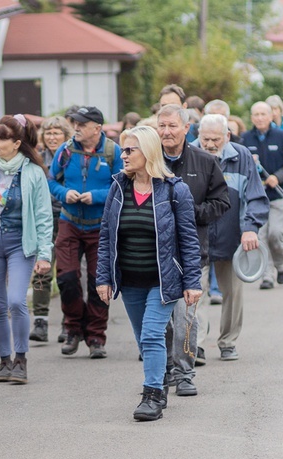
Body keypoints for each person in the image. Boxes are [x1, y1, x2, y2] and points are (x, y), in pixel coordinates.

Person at [97, 125, 202, 421]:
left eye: (130, 150)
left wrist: (193, 282)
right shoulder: (118, 187)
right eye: (122, 150)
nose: (123, 155)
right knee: (144, 340)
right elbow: (106, 236)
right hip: (129, 279)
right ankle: (160, 375)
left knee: (153, 334)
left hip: (163, 279)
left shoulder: (174, 190)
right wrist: (103, 277)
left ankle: (153, 394)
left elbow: (188, 240)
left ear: (148, 151)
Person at [0, 114, 53, 383]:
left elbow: (43, 215)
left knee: (16, 300)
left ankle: (21, 359)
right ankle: (4, 361)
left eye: (1, 138)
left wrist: (45, 253)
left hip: (20, 244)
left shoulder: (33, 173)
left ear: (16, 143)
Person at [157, 104, 229, 397]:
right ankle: (164, 372)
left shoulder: (204, 161)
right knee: (161, 320)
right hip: (154, 256)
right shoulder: (148, 161)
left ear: (187, 128)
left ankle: (185, 373)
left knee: (185, 317)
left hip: (190, 254)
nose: (166, 132)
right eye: (161, 126)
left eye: (172, 126)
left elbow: (221, 202)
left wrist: (189, 212)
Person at [48, 106, 122, 359]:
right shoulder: (66, 150)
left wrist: (98, 196)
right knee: (67, 279)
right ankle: (73, 330)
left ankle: (95, 336)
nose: (76, 128)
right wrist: (63, 193)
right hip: (69, 222)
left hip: (100, 226)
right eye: (75, 123)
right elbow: (51, 180)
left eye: (82, 124)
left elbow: (122, 183)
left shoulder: (113, 152)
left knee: (98, 282)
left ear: (97, 128)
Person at [197, 114, 269, 362]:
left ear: (227, 136)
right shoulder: (190, 154)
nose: (209, 144)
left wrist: (251, 227)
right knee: (195, 291)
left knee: (233, 293)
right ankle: (195, 345)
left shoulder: (241, 156)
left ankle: (227, 341)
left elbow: (256, 197)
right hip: (198, 237)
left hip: (232, 236)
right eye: (205, 138)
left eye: (215, 139)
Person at [242, 101, 283, 290]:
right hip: (256, 199)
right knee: (261, 236)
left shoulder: (282, 137)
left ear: (270, 116)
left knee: (275, 233)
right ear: (251, 118)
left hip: (278, 196)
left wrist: (277, 177)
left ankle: (281, 266)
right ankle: (267, 276)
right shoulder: (245, 139)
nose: (259, 118)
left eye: (262, 114)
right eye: (255, 114)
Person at [31, 116, 72, 343]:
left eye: (57, 132)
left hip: (65, 218)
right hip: (42, 220)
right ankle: (40, 322)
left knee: (66, 272)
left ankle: (69, 322)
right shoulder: (36, 159)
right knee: (41, 269)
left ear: (66, 136)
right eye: (48, 133)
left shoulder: (71, 158)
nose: (52, 137)